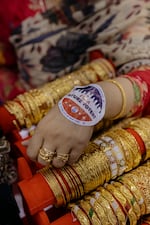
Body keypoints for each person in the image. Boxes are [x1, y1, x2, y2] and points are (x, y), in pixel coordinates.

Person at [24, 0, 150, 168]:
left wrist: (89, 102)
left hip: (58, 154)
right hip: (18, 114)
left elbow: (145, 80)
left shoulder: (130, 10)